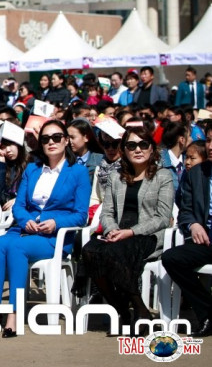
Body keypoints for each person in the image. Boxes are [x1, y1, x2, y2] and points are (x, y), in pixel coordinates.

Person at [0, 119, 90, 338]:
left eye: (56, 137)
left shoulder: (78, 172)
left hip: (54, 236)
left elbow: (81, 215)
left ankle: (13, 314)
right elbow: (20, 206)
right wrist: (25, 221)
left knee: (15, 248)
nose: (51, 142)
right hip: (25, 229)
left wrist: (55, 223)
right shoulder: (32, 169)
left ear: (66, 140)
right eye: (45, 139)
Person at [82, 126, 174, 330]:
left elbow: (162, 217)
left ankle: (137, 309)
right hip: (118, 234)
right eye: (131, 145)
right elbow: (106, 213)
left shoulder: (163, 176)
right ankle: (125, 307)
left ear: (152, 149)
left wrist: (130, 232)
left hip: (147, 236)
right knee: (89, 251)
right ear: (124, 149)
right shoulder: (116, 177)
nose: (138, 149)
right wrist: (112, 230)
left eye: (143, 144)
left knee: (114, 252)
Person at [162, 156, 212, 336]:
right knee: (172, 258)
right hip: (206, 240)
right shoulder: (196, 173)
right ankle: (207, 312)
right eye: (209, 140)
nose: (211, 146)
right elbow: (185, 211)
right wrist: (193, 224)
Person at [67, 118, 104, 184]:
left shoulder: (100, 160)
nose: (69, 141)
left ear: (86, 137)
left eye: (72, 137)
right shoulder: (65, 160)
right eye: (67, 138)